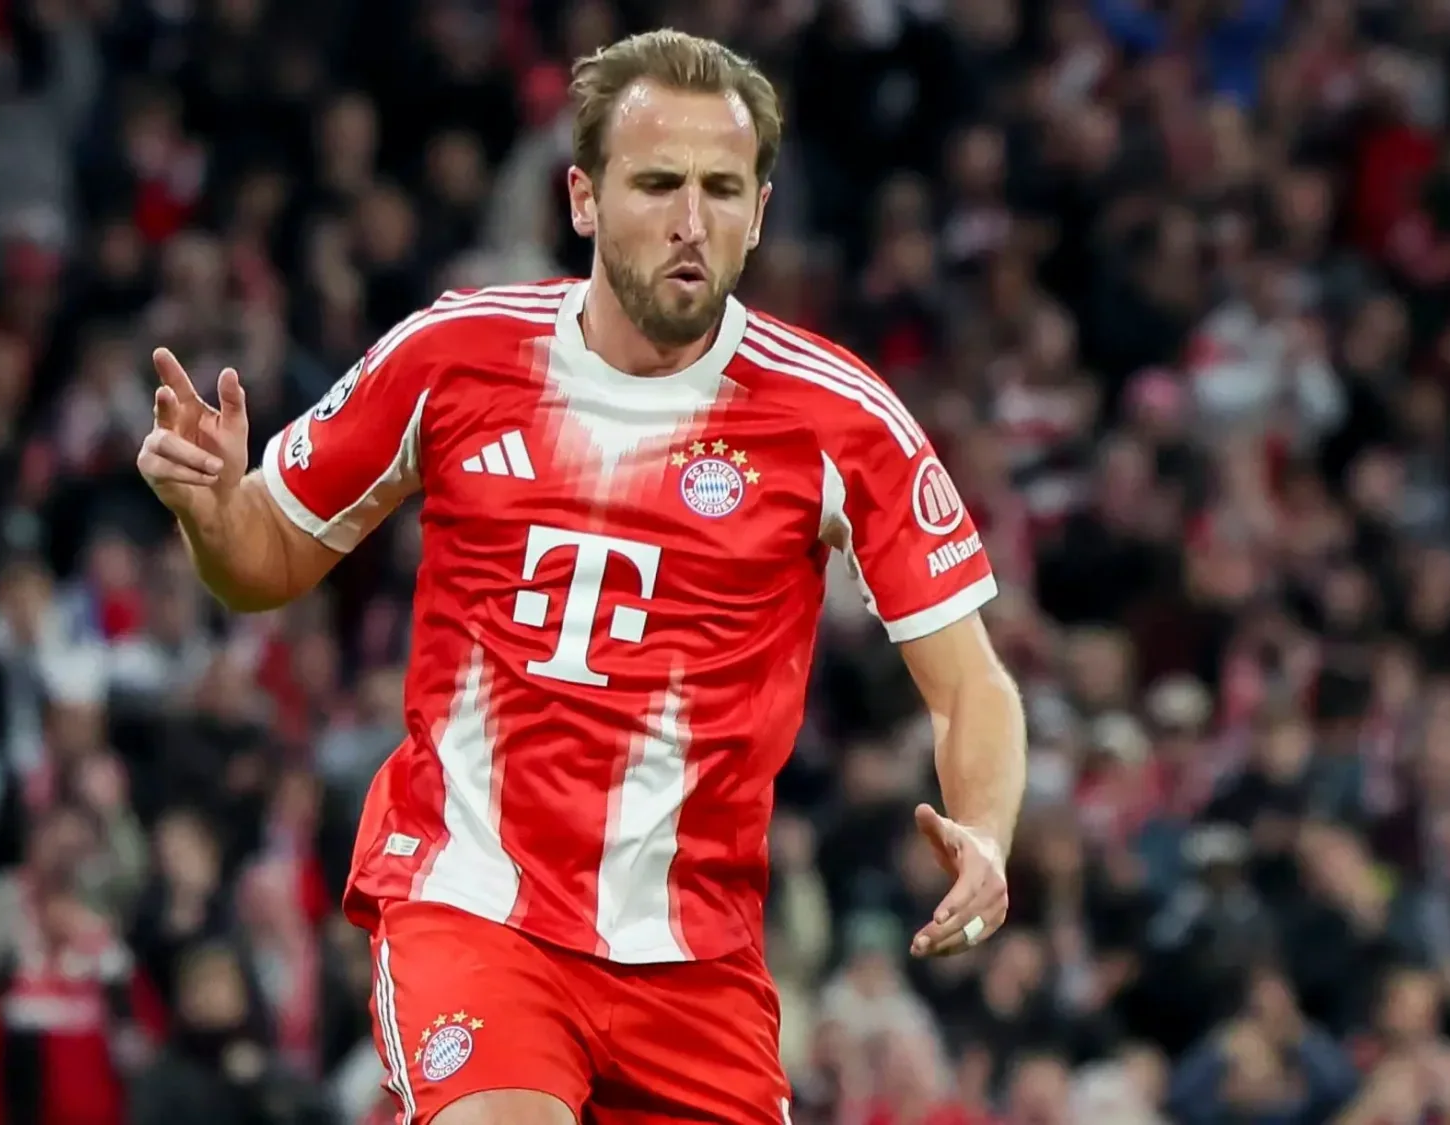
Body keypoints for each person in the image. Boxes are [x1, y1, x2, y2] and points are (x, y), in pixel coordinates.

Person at [136, 30, 1027, 1125]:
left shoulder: (837, 420)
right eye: (656, 184)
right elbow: (262, 567)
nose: (689, 221)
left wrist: (984, 831)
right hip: (474, 908)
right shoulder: (452, 355)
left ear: (757, 209)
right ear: (583, 197)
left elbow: (969, 686)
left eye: (720, 189)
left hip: (694, 959)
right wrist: (212, 509)